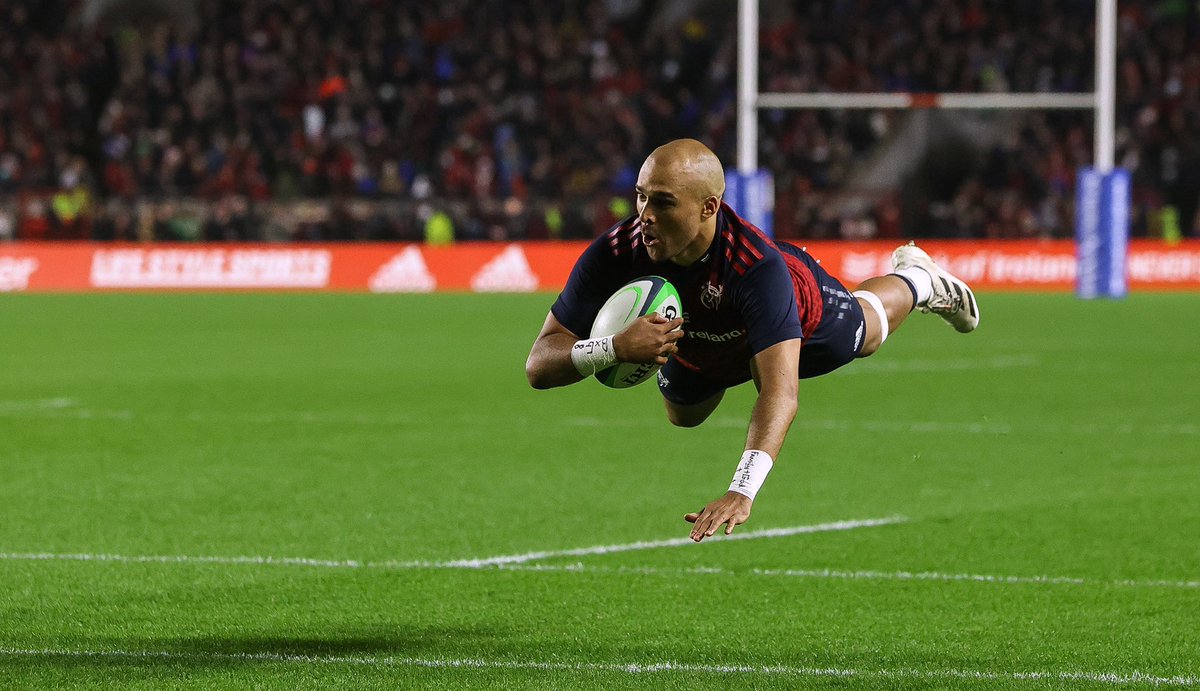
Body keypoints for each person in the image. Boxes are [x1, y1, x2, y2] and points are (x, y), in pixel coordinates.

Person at [525, 139, 978, 543]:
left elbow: (780, 392)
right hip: (702, 335)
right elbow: (539, 365)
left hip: (798, 313)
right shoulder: (618, 250)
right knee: (684, 416)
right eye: (641, 197)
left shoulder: (756, 268)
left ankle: (917, 279)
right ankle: (724, 351)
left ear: (709, 208)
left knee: (867, 332)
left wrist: (742, 489)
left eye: (662, 203)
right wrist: (613, 349)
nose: (645, 215)